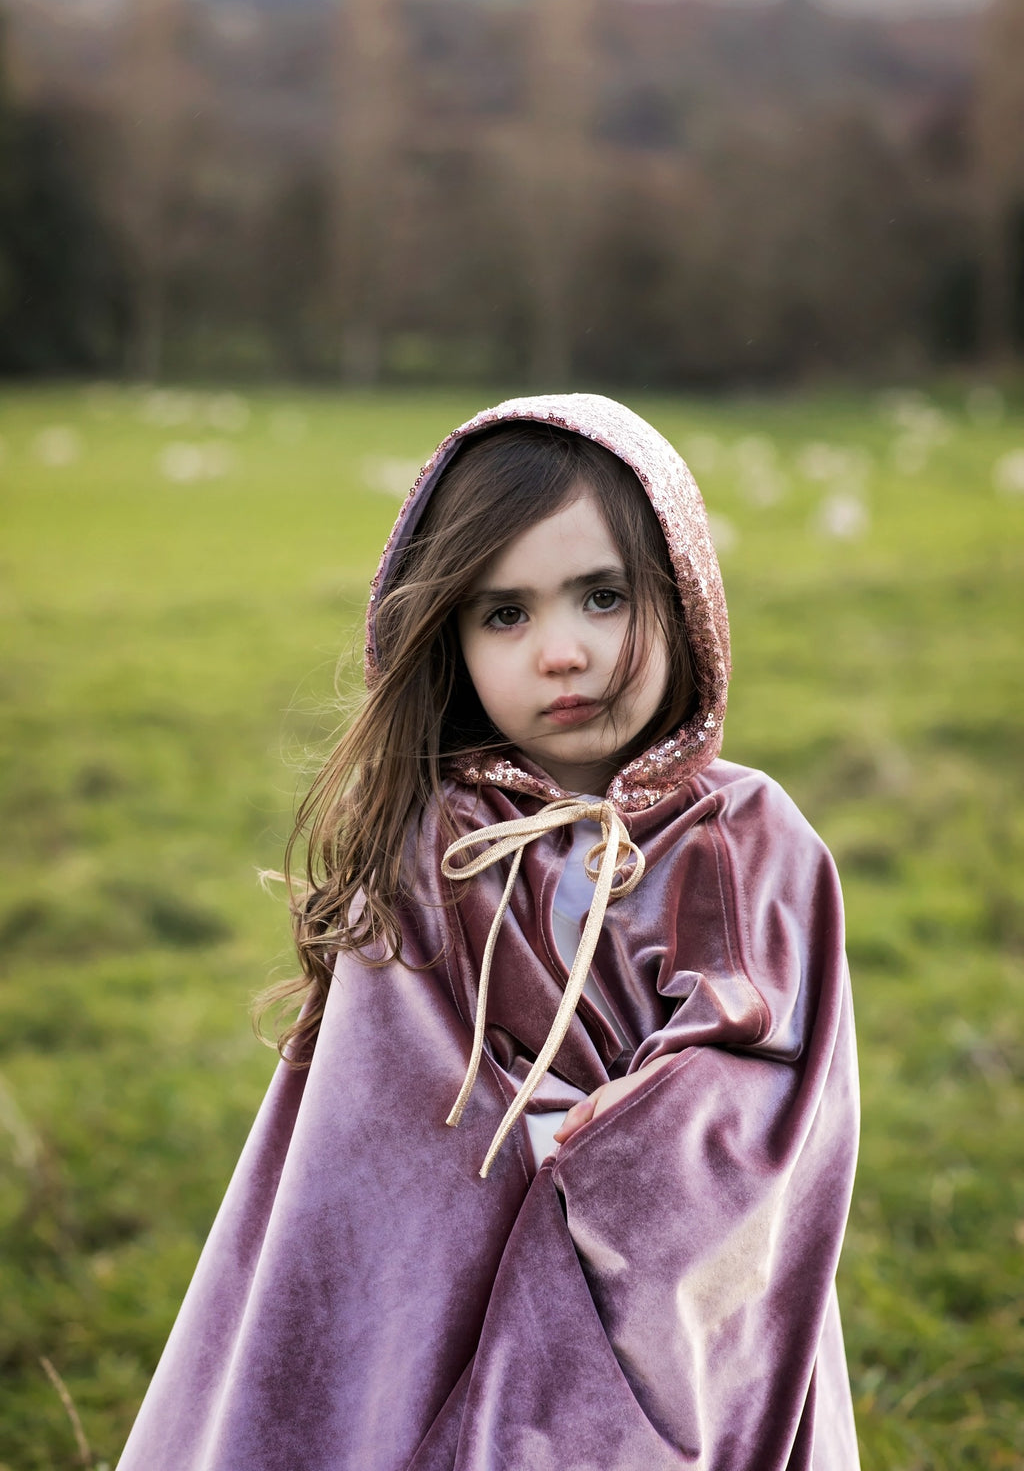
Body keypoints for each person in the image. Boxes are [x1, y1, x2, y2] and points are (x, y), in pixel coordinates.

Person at [117, 393, 860, 1471]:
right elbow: (388, 1101)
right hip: (443, 1309)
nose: (560, 652)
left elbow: (764, 1081)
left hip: (686, 1326)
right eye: (503, 614)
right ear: (449, 639)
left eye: (601, 597)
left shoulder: (747, 841)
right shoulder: (431, 848)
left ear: (683, 592)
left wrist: (612, 1153)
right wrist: (528, 1148)